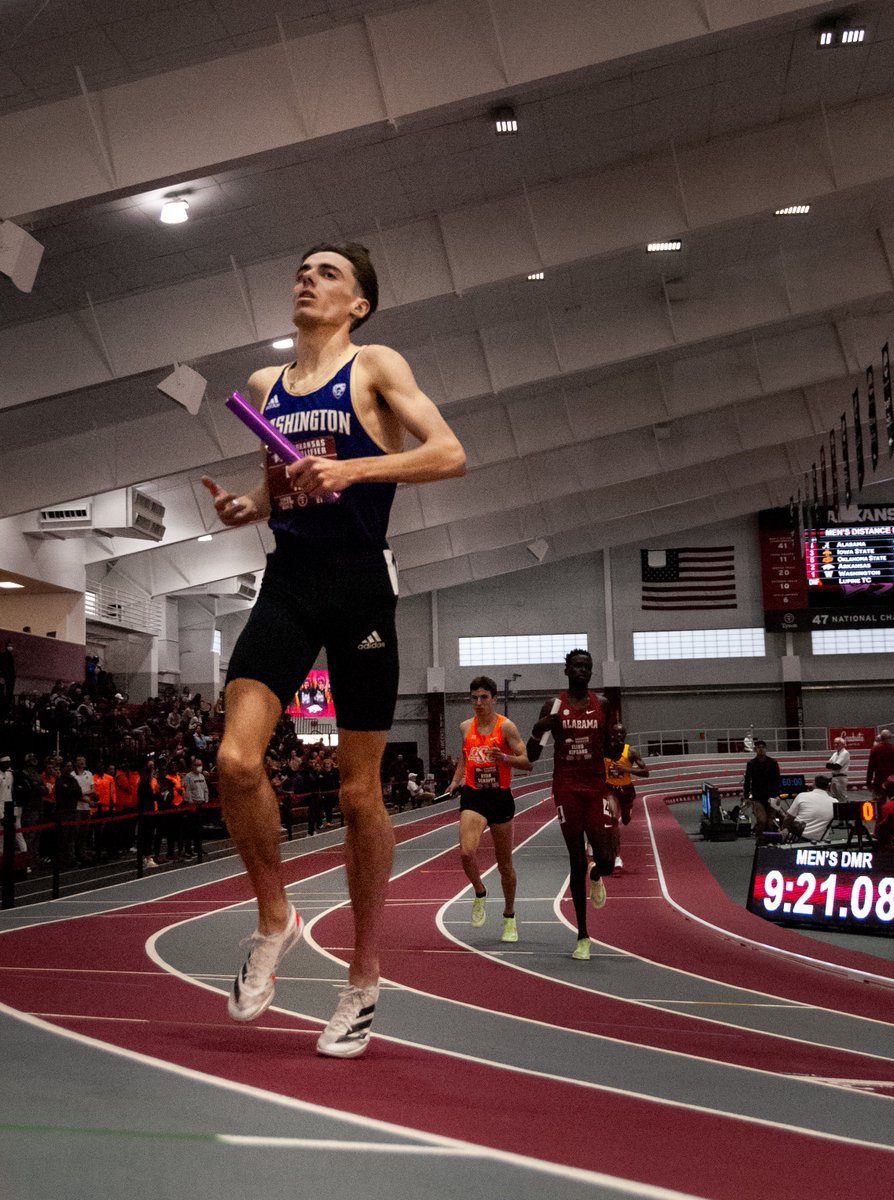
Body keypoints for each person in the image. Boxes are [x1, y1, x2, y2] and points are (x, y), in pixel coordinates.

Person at [201, 241, 464, 1058]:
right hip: (288, 580)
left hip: (359, 584)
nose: (307, 279)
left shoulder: (377, 364)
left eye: (328, 274)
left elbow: (449, 454)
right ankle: (274, 919)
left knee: (358, 798)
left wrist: (353, 470)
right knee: (237, 762)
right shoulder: (262, 388)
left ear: (358, 304)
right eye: (303, 271)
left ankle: (363, 977)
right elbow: (281, 483)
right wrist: (250, 504)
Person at [526, 649, 616, 962]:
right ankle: (582, 935)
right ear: (566, 670)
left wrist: (619, 739)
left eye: (587, 667)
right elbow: (533, 756)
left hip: (595, 788)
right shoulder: (554, 706)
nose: (582, 670)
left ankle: (597, 875)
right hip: (566, 788)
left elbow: (613, 749)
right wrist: (539, 728)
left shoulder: (602, 704)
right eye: (577, 666)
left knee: (605, 859)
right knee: (576, 857)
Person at [449, 676, 530, 943]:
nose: (479, 703)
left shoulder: (506, 727)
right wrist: (455, 780)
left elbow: (527, 762)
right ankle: (480, 892)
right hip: (474, 796)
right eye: (474, 698)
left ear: (494, 699)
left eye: (484, 697)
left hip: (500, 798)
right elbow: (464, 756)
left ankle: (509, 916)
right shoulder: (464, 727)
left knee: (504, 865)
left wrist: (504, 758)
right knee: (465, 852)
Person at [603, 721, 649, 875]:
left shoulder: (631, 752)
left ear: (625, 735)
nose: (619, 735)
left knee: (626, 820)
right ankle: (617, 858)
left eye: (622, 733)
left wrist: (626, 769)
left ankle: (628, 811)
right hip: (611, 790)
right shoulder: (604, 751)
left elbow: (646, 772)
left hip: (626, 791)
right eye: (616, 733)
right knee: (614, 820)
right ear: (611, 735)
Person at [743, 740, 781, 843]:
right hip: (757, 797)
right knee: (761, 820)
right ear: (755, 750)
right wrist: (746, 797)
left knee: (770, 822)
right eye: (758, 747)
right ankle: (760, 841)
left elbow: (777, 780)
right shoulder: (751, 764)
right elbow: (747, 781)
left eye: (763, 747)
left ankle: (769, 842)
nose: (761, 749)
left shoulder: (773, 763)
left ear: (765, 749)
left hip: (771, 797)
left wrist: (777, 795)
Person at [779, 773, 834, 842]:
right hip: (821, 839)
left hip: (799, 838)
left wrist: (784, 828)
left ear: (814, 784)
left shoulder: (802, 796)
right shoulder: (835, 801)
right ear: (828, 786)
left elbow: (789, 817)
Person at [865, 729, 894, 804]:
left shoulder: (875, 749)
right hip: (893, 783)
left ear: (880, 738)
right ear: (890, 738)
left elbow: (870, 768)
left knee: (878, 804)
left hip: (879, 782)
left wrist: (868, 783)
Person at [826, 736, 850, 801]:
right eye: (835, 743)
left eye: (838, 743)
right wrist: (833, 765)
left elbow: (837, 766)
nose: (836, 745)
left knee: (841, 796)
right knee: (833, 797)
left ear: (842, 744)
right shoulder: (835, 753)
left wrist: (832, 765)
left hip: (841, 778)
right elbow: (827, 765)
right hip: (834, 777)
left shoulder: (845, 753)